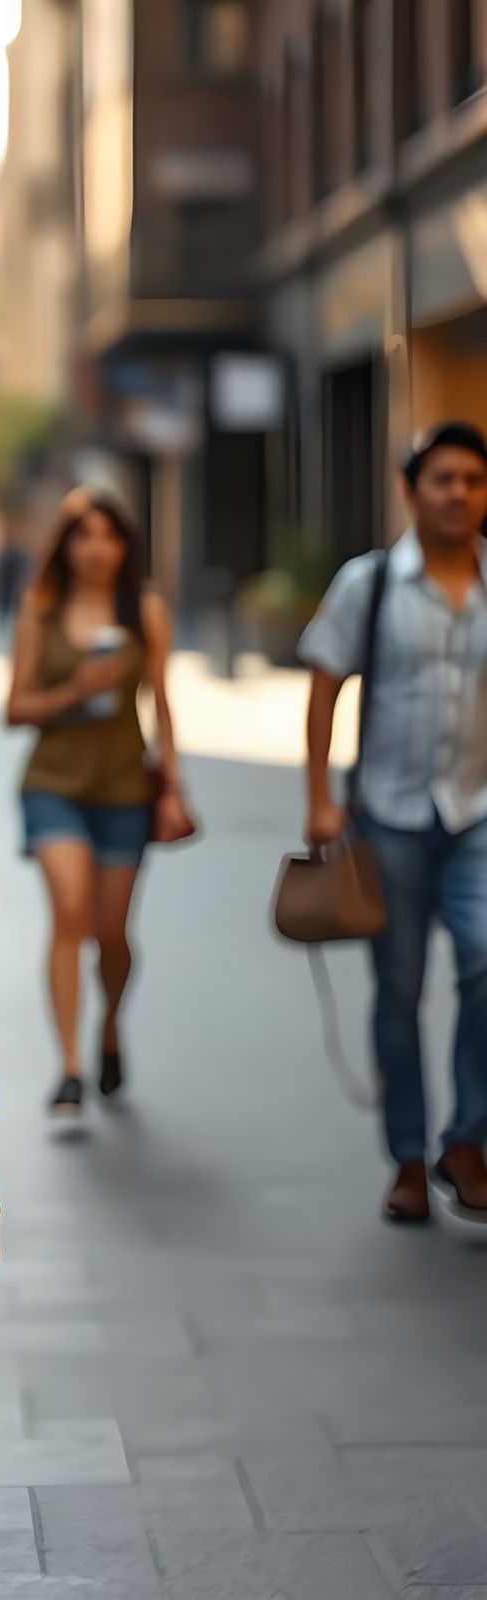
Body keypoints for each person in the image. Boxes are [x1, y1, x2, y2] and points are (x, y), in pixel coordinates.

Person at [300, 420, 487, 1226]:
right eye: (444, 479)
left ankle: (468, 1141)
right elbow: (325, 687)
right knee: (400, 990)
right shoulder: (369, 583)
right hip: (390, 817)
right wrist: (319, 795)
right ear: (411, 491)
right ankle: (408, 1159)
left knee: (485, 965)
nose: (460, 494)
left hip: (478, 814)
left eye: (474, 481)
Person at [6, 488, 187, 1119]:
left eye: (109, 536)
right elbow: (16, 708)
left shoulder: (145, 609)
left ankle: (109, 1025)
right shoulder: (41, 608)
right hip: (52, 785)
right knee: (71, 913)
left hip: (124, 790)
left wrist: (173, 787)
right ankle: (70, 1067)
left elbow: (162, 702)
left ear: (124, 546)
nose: (96, 548)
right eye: (83, 535)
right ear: (66, 545)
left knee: (112, 935)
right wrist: (76, 690)